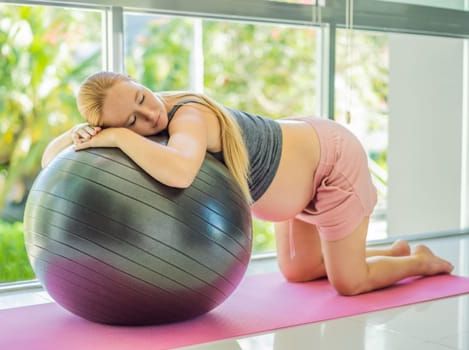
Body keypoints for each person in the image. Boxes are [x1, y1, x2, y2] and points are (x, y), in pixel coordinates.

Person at [42, 71, 454, 296]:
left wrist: (117, 135)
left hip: (329, 163)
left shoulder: (186, 116)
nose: (149, 118)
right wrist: (81, 133)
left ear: (138, 83)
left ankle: (417, 261)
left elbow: (181, 172)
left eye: (141, 98)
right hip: (298, 179)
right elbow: (50, 162)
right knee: (299, 272)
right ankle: (386, 251)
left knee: (349, 283)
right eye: (131, 120)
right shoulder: (146, 121)